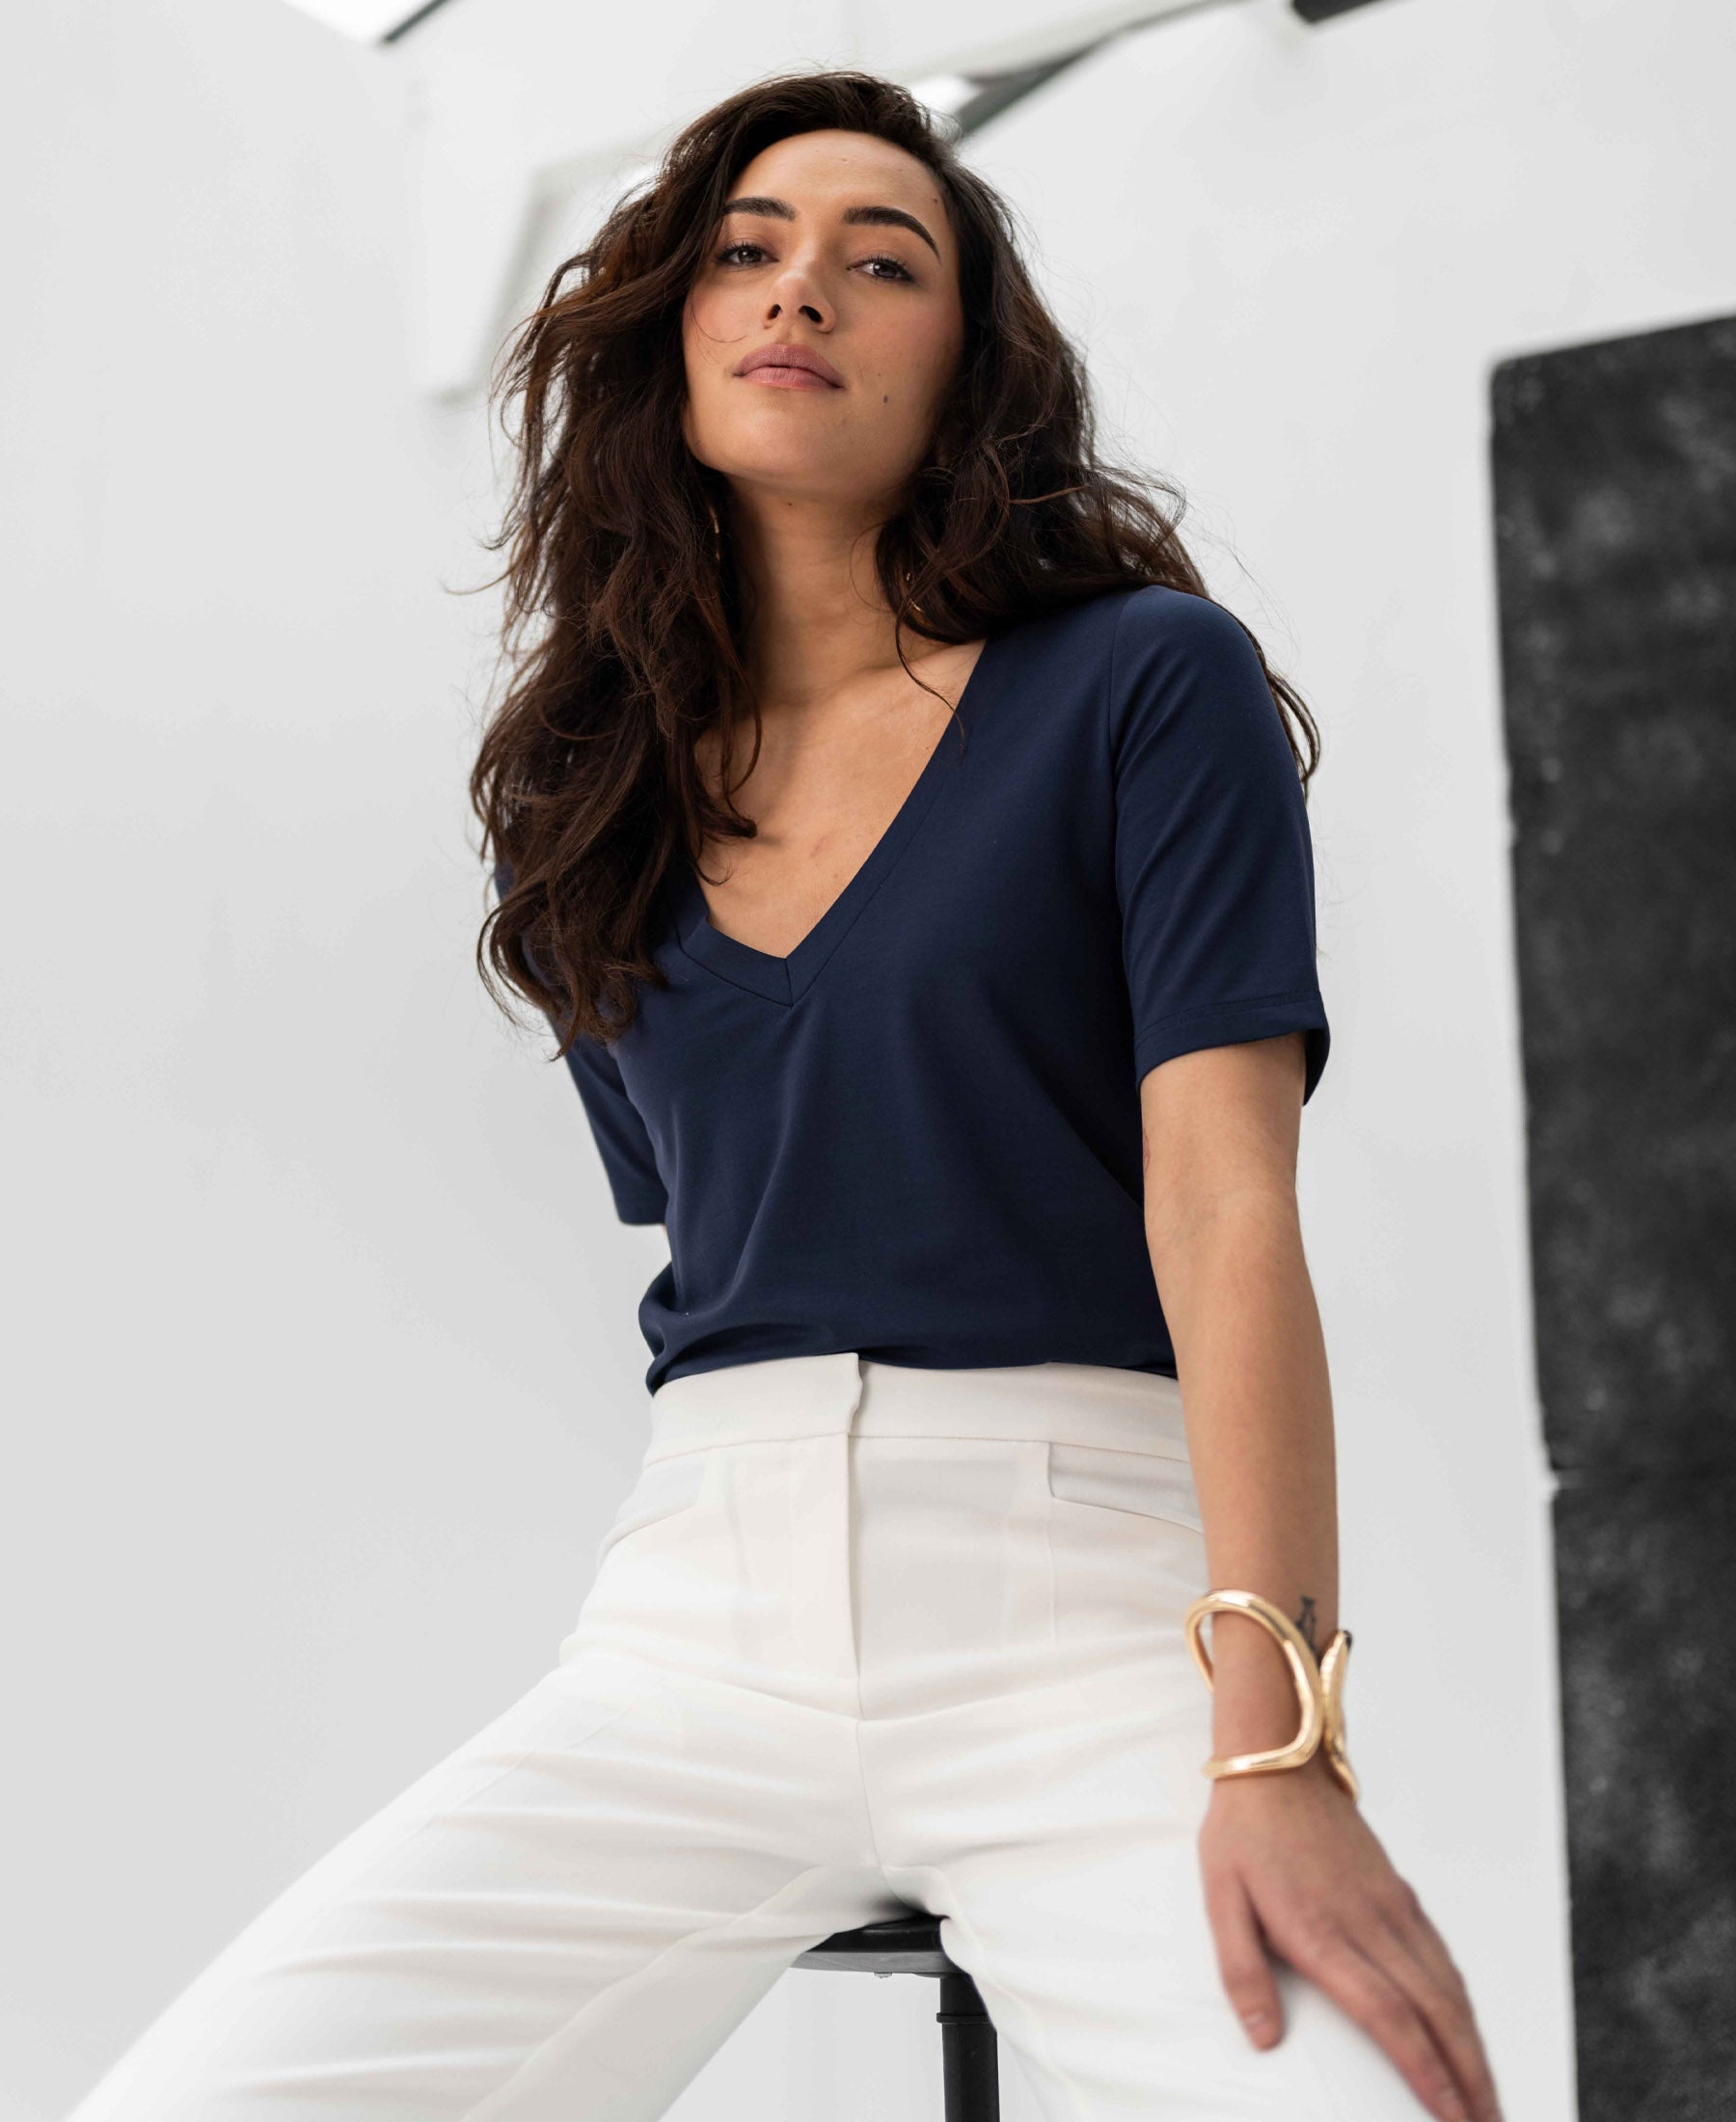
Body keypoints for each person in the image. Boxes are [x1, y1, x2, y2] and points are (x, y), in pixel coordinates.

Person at [68, 68, 1503, 2122]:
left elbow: (1224, 1213)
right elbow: (706, 1207)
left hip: (1084, 1608)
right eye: (746, 249)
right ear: (673, 329)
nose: (799, 288)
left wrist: (1280, 1751)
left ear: (968, 364)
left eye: (879, 259)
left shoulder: (1140, 684)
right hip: (695, 1627)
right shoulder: (587, 793)